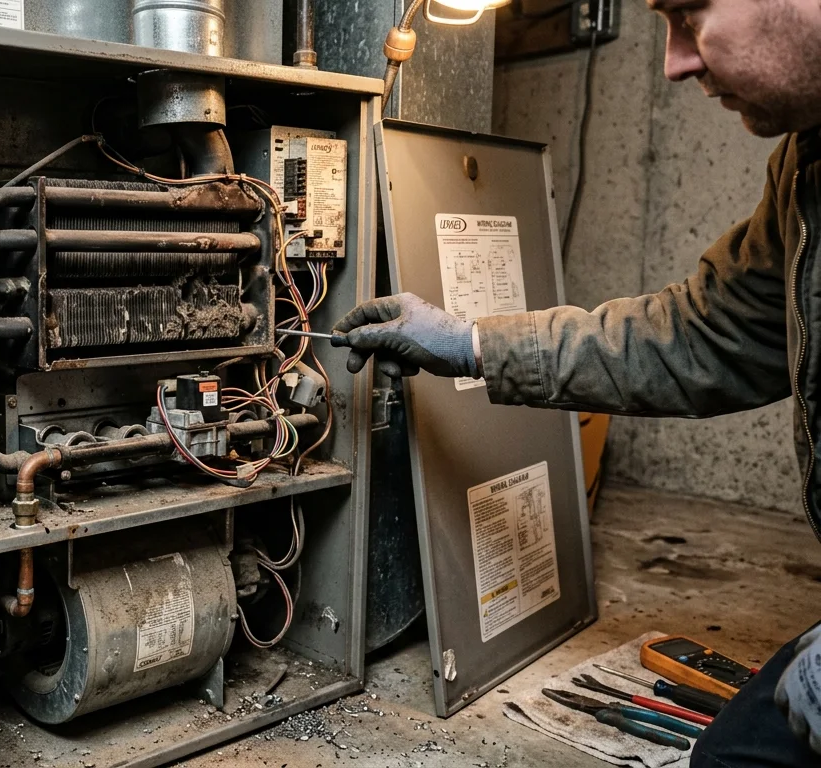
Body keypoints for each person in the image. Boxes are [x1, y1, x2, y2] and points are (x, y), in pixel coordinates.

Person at [331, 0, 821, 764]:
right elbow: (697, 334)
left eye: (690, 13)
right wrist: (468, 343)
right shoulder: (806, 167)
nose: (673, 62)